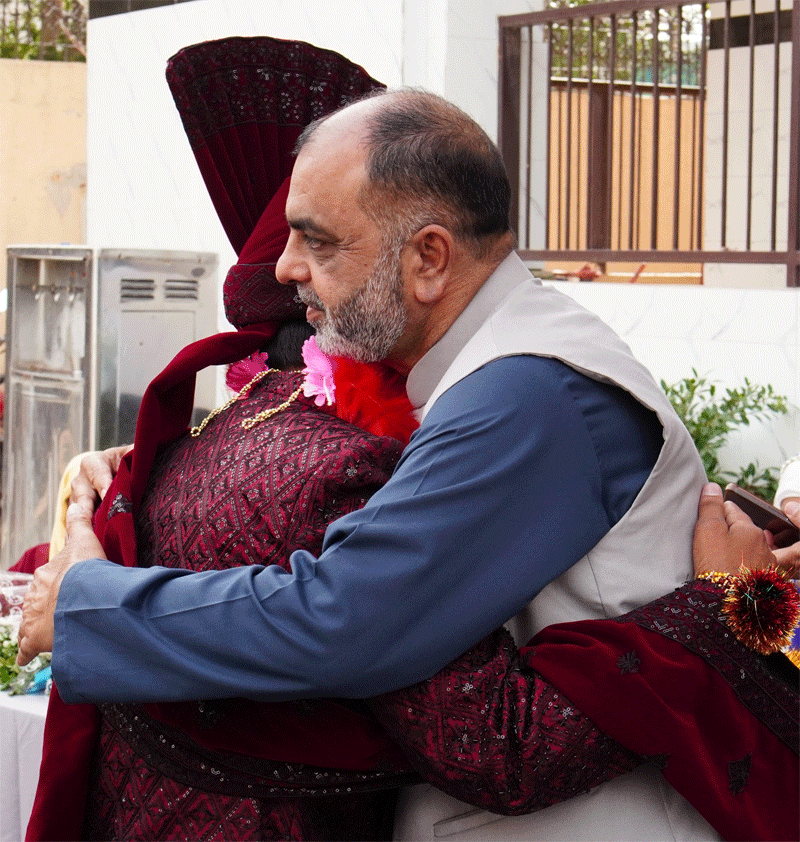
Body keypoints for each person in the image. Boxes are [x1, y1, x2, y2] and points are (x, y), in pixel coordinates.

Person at [18, 85, 799, 840]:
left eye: (317, 239)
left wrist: (93, 606)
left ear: (429, 258)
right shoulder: (496, 365)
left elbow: (344, 618)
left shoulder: (527, 393)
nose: (285, 269)